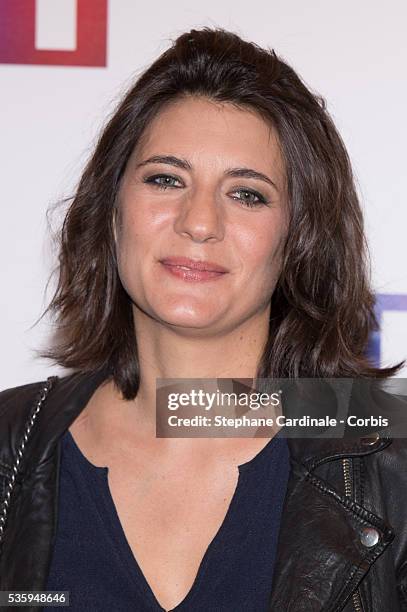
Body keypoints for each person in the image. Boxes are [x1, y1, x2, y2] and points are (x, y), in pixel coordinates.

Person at [0, 26, 406, 612]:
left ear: (299, 238)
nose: (198, 221)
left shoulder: (389, 462)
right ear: (111, 209)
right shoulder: (11, 448)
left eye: (247, 194)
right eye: (166, 179)